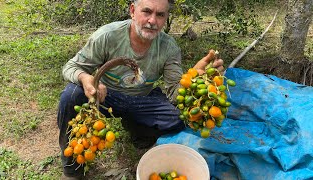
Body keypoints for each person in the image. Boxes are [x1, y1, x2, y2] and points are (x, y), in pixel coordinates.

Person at [57, 0, 224, 179]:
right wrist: (85, 78)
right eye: (147, 11)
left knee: (179, 117)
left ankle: (138, 130)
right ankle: (73, 168)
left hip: (141, 100)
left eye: (160, 15)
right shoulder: (108, 36)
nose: (152, 20)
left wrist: (193, 77)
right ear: (132, 11)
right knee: (71, 94)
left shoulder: (169, 47)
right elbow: (71, 67)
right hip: (105, 97)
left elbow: (175, 93)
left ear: (166, 17)